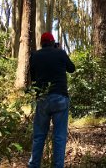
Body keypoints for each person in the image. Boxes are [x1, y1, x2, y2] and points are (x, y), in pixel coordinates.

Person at [28, 32, 75, 168]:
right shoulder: (60, 53)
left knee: (39, 136)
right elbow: (72, 69)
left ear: (42, 43)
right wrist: (60, 51)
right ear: (53, 42)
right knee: (59, 137)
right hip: (60, 97)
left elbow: (33, 77)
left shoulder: (35, 55)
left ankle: (34, 165)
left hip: (43, 98)